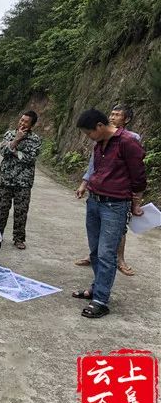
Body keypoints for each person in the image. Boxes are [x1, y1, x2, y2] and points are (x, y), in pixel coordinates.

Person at [72, 109, 146, 319]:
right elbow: (94, 169)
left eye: (89, 133)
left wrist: (136, 203)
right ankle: (97, 289)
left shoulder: (128, 142)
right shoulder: (99, 143)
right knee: (95, 251)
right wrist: (86, 185)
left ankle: (101, 300)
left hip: (115, 205)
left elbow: (139, 175)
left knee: (106, 253)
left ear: (99, 126)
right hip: (94, 201)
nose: (89, 137)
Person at [0, 111, 42, 250]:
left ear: (32, 124)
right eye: (21, 120)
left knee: (21, 211)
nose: (22, 123)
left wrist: (13, 151)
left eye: (26, 121)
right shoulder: (9, 134)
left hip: (24, 182)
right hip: (6, 179)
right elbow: (3, 152)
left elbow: (30, 159)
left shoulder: (35, 139)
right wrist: (16, 140)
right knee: (1, 210)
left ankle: (19, 239)